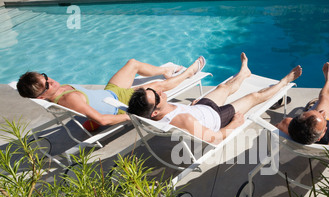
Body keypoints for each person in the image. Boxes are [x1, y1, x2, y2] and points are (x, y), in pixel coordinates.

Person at [128, 52, 302, 144]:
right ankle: (285, 81)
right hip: (217, 117)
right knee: (254, 97)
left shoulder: (157, 111)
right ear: (154, 112)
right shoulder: (183, 120)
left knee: (223, 87)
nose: (160, 92)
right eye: (157, 97)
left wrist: (191, 106)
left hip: (200, 108)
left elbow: (177, 112)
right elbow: (214, 138)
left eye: (153, 90)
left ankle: (243, 73)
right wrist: (234, 124)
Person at [16, 56, 206, 127]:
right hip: (119, 104)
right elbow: (102, 120)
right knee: (156, 89)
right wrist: (133, 115)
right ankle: (189, 73)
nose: (51, 81)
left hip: (111, 92)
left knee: (133, 64)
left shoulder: (56, 92)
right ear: (41, 96)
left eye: (45, 76)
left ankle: (164, 70)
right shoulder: (69, 99)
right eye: (46, 85)